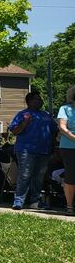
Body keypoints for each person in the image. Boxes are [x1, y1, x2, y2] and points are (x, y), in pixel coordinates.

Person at [9, 91, 57, 210]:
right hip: (26, 150)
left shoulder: (46, 115)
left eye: (40, 98)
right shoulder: (22, 114)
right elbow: (14, 131)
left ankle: (35, 201)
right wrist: (25, 123)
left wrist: (53, 144)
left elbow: (54, 130)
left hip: (43, 150)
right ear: (29, 102)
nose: (39, 101)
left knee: (39, 176)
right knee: (25, 175)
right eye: (36, 99)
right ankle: (19, 201)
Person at [57, 86, 75, 215]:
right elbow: (62, 127)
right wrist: (73, 137)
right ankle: (69, 206)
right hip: (69, 147)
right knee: (71, 176)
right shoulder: (65, 109)